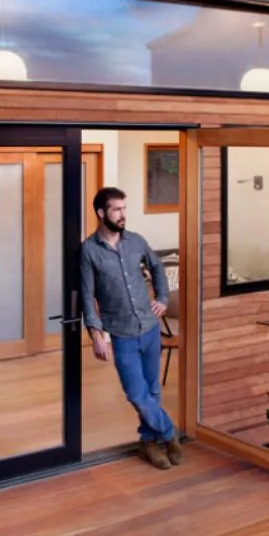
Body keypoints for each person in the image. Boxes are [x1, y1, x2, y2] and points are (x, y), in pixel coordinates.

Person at [78, 186, 181, 470]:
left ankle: (149, 443)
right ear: (101, 213)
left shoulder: (136, 241)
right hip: (121, 334)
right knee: (136, 394)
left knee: (152, 391)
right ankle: (169, 433)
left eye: (125, 209)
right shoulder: (89, 251)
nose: (123, 215)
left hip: (149, 329)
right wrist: (96, 335)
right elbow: (88, 296)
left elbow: (158, 267)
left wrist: (161, 297)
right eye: (117, 209)